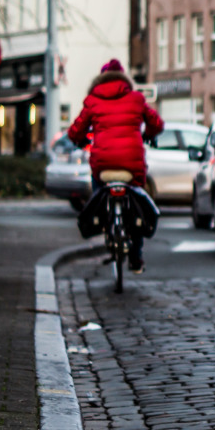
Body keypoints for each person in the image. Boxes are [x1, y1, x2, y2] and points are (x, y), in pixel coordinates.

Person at [67, 59, 164, 272]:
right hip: (132, 163)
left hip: (102, 163)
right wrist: (148, 135)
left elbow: (74, 131)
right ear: (124, 79)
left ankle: (106, 225)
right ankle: (136, 256)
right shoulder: (137, 98)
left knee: (99, 194)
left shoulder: (92, 101)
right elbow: (156, 123)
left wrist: (81, 140)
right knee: (137, 202)